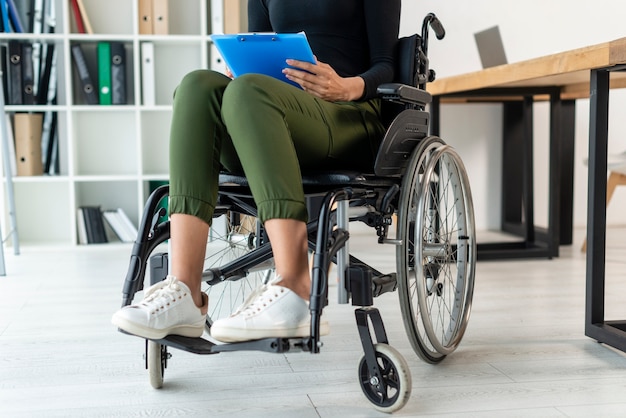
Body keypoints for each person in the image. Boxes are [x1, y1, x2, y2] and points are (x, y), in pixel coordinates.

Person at [112, 0, 401, 343]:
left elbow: (386, 65)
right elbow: (260, 52)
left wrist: (345, 86)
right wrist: (242, 69)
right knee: (196, 86)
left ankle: (295, 285)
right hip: (274, 110)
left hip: (349, 114)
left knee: (249, 92)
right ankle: (185, 292)